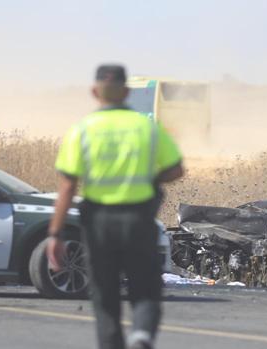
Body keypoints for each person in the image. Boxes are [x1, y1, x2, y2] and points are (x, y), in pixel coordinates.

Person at [47, 64, 183, 349]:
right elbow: (176, 169)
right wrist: (150, 178)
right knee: (144, 288)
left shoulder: (82, 130)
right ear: (126, 92)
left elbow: (68, 187)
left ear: (95, 92)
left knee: (105, 297)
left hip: (99, 224)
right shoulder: (146, 127)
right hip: (138, 220)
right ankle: (142, 336)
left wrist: (55, 234)